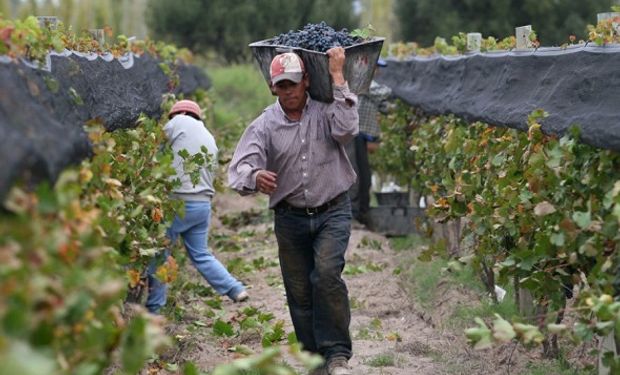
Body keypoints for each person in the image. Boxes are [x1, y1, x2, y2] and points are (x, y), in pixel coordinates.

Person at [228, 48, 357, 375]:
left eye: (294, 84)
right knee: (299, 293)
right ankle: (314, 359)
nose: (289, 92)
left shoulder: (327, 110)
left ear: (307, 82)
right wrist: (255, 176)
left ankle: (337, 354)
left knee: (326, 274)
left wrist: (338, 77)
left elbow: (347, 129)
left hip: (333, 210)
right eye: (282, 86)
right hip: (290, 218)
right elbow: (239, 167)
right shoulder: (264, 125)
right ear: (273, 88)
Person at [146, 99, 248, 314]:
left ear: (177, 113)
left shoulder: (178, 122)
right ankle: (235, 288)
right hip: (202, 205)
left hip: (179, 204)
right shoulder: (208, 136)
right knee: (201, 254)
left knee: (159, 255)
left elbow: (154, 147)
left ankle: (154, 309)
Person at [346, 59, 392, 225]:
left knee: (364, 177)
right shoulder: (361, 83)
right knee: (356, 176)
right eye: (376, 67)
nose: (378, 71)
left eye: (379, 68)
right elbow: (382, 93)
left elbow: (384, 106)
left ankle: (361, 213)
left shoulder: (368, 86)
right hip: (354, 134)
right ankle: (353, 213)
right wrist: (400, 93)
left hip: (362, 135)